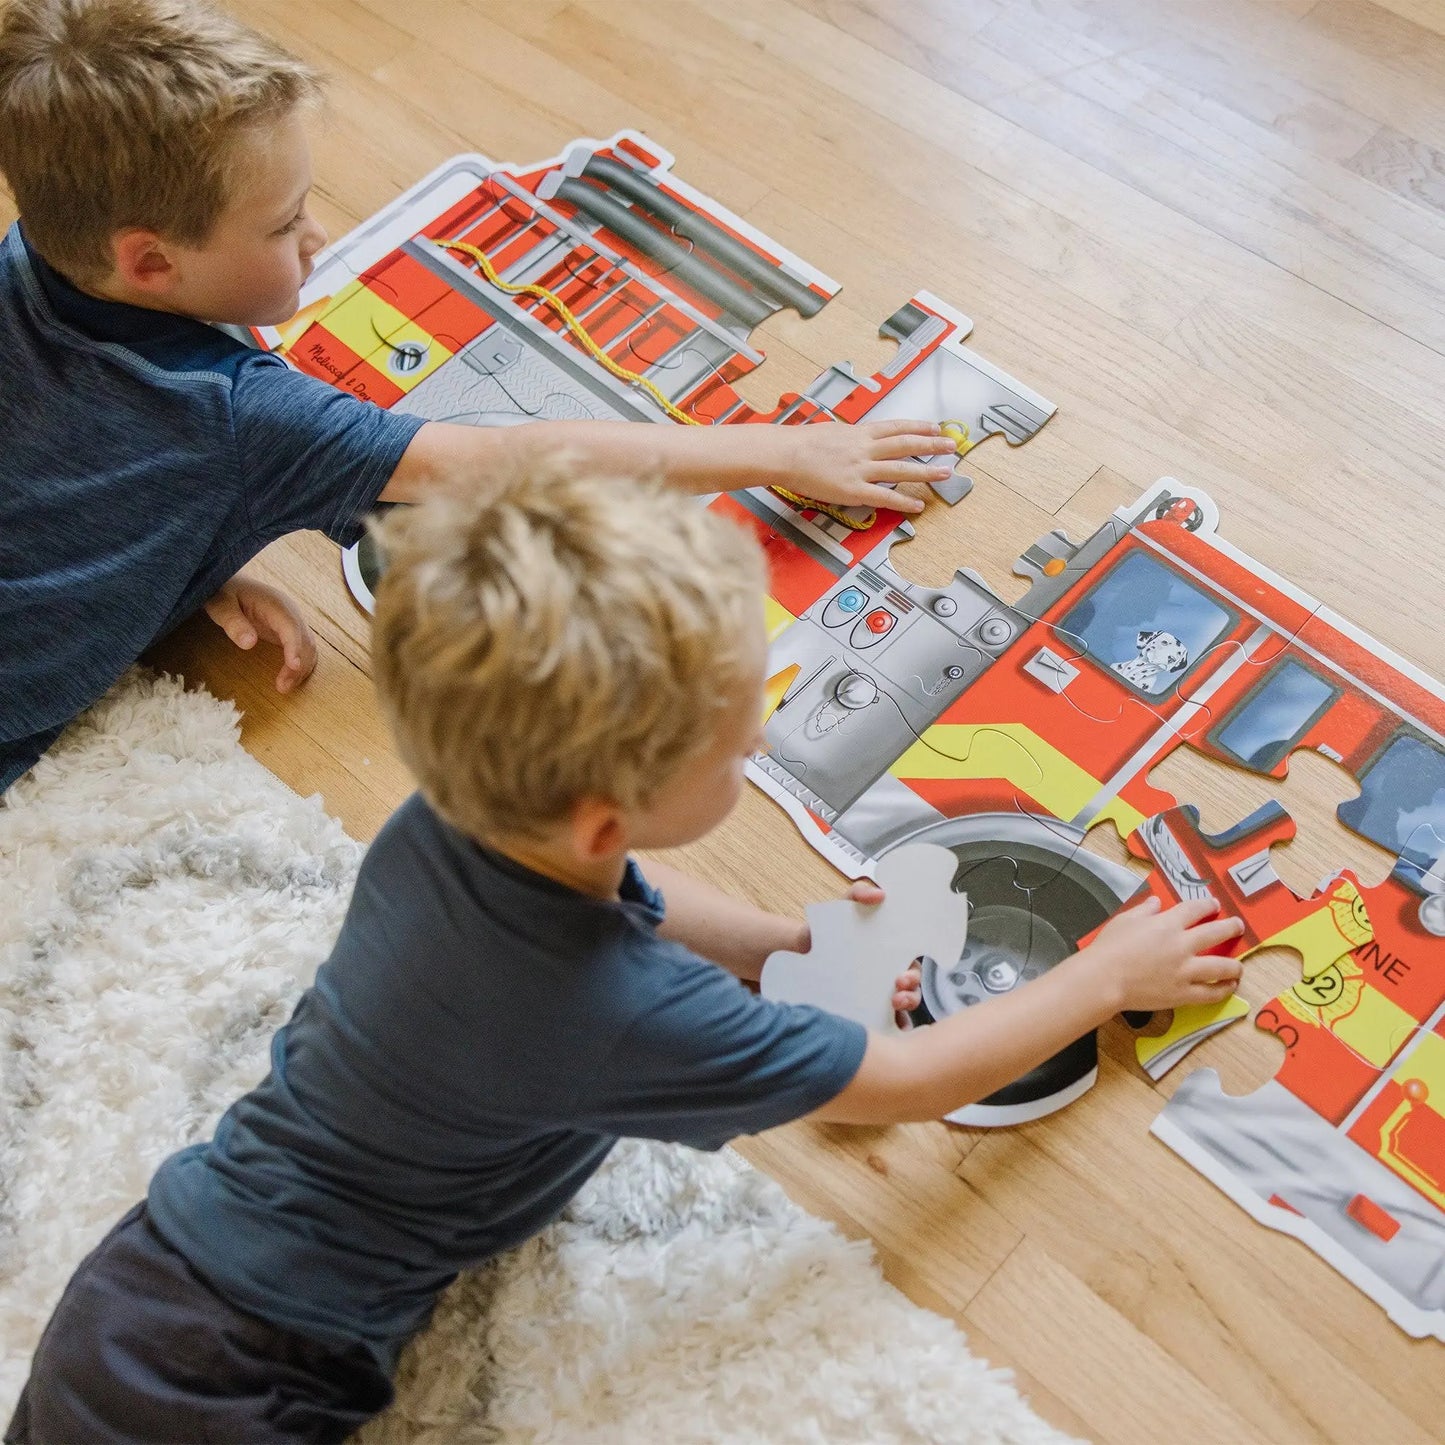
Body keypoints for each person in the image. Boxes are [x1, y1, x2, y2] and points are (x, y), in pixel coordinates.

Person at [6, 464, 1246, 1443]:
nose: (759, 728)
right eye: (735, 734)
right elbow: (905, 1085)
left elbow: (627, 892)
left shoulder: (438, 819)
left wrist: (783, 942)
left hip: (150, 1277)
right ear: (606, 812)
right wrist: (1102, 978)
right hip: (241, 1381)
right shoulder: (617, 1009)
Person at [0, 0, 957, 794]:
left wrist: (180, 559)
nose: (318, 234)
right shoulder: (245, 420)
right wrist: (786, 453)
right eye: (285, 221)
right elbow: (508, 463)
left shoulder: (25, 260)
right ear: (150, 261)